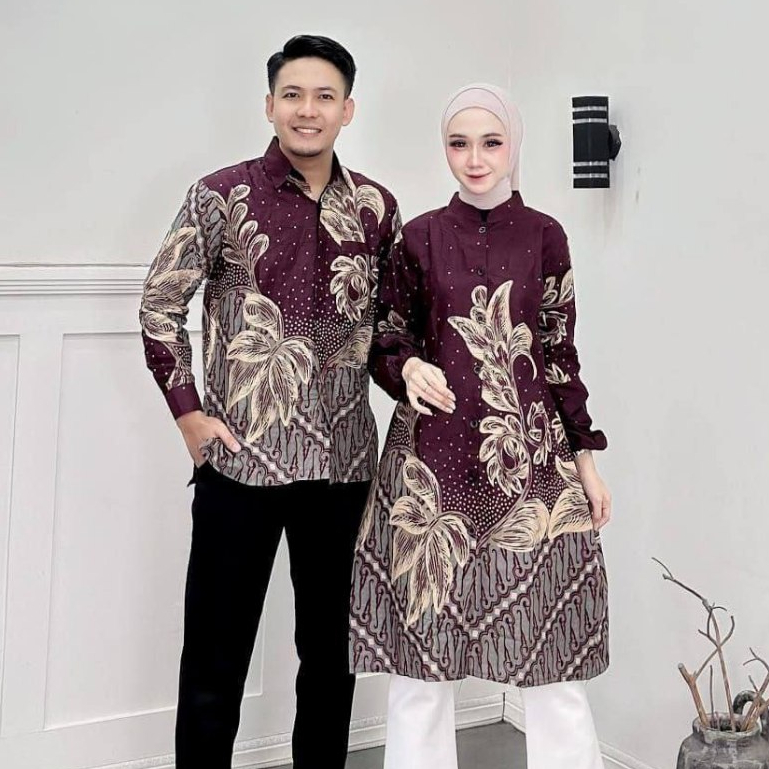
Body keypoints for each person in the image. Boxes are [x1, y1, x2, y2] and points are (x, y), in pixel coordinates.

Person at [139, 35, 399, 769]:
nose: (307, 110)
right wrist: (189, 415)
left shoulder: (377, 208)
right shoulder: (220, 195)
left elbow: (390, 331)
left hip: (343, 467)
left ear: (347, 110)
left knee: (331, 658)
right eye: (293, 95)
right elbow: (160, 305)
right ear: (269, 105)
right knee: (215, 658)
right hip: (240, 463)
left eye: (324, 97)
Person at [350, 84, 612, 769]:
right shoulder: (418, 237)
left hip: (531, 467)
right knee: (420, 661)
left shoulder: (546, 236)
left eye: (490, 142)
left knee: (552, 656)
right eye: (458, 143)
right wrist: (407, 367)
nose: (474, 159)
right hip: (430, 469)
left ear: (513, 145)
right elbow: (387, 336)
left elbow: (557, 353)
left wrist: (585, 462)